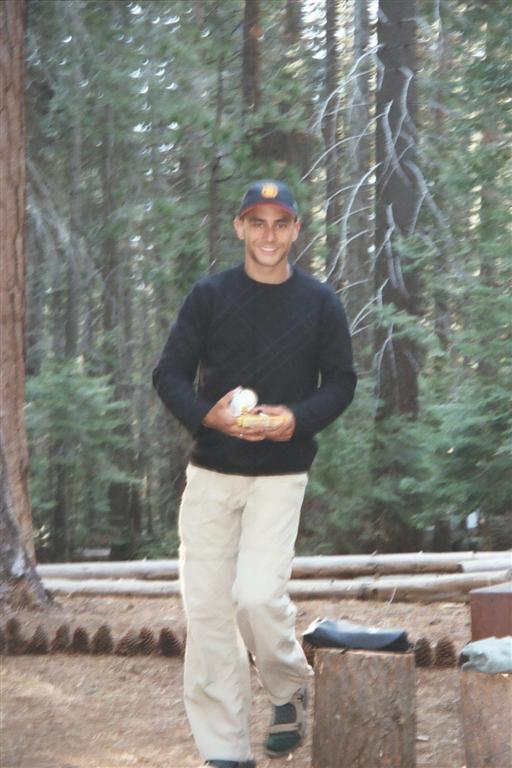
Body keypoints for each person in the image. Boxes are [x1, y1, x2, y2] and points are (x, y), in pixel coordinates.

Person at [152, 180, 357, 768]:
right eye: (258, 222)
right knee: (208, 612)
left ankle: (288, 688)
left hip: (281, 475)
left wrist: (296, 419)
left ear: (296, 230)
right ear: (240, 227)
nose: (269, 234)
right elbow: (169, 374)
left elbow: (341, 382)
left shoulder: (319, 302)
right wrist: (207, 415)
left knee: (257, 598)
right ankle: (225, 751)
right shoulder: (210, 295)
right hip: (212, 473)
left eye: (281, 223)